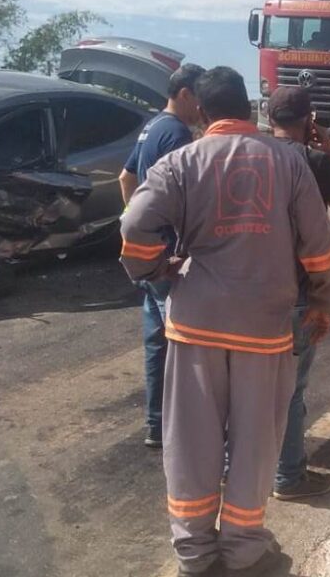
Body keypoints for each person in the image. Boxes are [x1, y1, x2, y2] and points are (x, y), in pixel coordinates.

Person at [120, 66, 330, 577]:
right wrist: (325, 303)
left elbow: (134, 225)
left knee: (192, 445)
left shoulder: (180, 162)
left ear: (201, 112)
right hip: (265, 330)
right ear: (250, 108)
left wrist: (154, 271)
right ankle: (244, 551)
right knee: (255, 443)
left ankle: (195, 557)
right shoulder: (289, 163)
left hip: (196, 325)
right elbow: (321, 248)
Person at [266, 86, 330, 500]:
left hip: (248, 293)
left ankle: (238, 471)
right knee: (290, 391)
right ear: (309, 120)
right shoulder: (315, 160)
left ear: (269, 118)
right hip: (298, 293)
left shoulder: (252, 156)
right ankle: (288, 477)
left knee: (246, 388)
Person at [116, 63, 206, 448]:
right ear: (185, 93)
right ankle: (181, 430)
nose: (202, 106)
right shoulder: (178, 134)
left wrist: (138, 224)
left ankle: (156, 424)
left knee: (156, 342)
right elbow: (188, 197)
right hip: (170, 255)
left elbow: (126, 178)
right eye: (199, 97)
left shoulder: (152, 127)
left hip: (149, 252)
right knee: (185, 345)